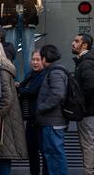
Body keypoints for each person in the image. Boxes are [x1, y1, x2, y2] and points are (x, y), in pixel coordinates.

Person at [0, 40, 27, 175]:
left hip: (5, 122)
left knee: (2, 157)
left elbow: (6, 97)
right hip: (7, 120)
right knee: (2, 157)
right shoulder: (4, 68)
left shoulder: (2, 69)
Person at [36, 45, 68, 175]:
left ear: (44, 58)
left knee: (54, 154)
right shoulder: (55, 70)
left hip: (53, 123)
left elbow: (58, 94)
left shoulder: (55, 72)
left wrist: (41, 108)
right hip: (52, 121)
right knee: (53, 154)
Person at [18, 50, 48, 175]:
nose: (35, 62)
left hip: (41, 120)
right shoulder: (30, 74)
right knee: (32, 151)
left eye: (38, 60)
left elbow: (31, 91)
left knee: (44, 152)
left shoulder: (45, 75)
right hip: (31, 120)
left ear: (44, 61)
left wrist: (19, 89)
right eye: (33, 59)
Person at [71, 33, 94, 175]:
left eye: (76, 41)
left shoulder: (85, 63)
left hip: (88, 113)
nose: (72, 43)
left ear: (84, 45)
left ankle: (89, 172)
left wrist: (81, 105)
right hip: (89, 112)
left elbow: (90, 87)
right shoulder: (85, 62)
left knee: (88, 144)